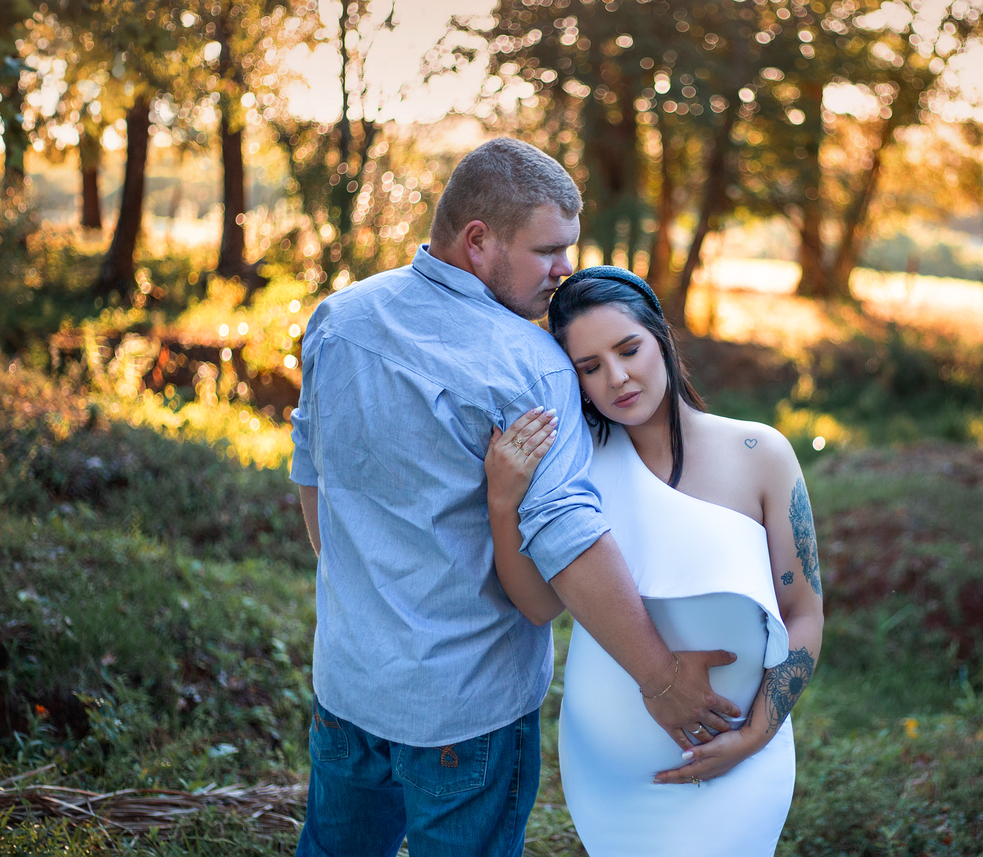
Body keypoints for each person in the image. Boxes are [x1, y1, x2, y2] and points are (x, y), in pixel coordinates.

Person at [288, 140, 740, 857]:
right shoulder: (528, 364)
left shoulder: (339, 318)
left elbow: (314, 487)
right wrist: (661, 680)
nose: (565, 270)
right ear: (478, 242)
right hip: (466, 713)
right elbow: (568, 539)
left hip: (348, 686)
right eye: (548, 250)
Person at [485, 266, 825, 856]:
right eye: (589, 368)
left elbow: (804, 614)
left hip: (741, 764)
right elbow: (537, 606)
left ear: (661, 337)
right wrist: (501, 502)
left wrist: (754, 737)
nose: (617, 378)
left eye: (628, 349)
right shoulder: (577, 471)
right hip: (612, 781)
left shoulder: (760, 453)